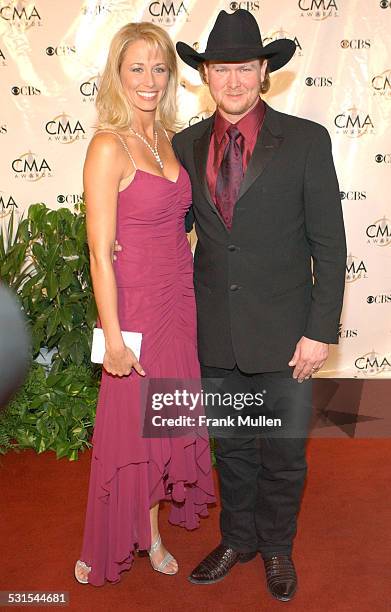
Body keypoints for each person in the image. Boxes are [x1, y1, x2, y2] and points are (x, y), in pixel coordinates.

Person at [172, 9, 346, 602]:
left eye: (245, 68)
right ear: (206, 76)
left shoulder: (304, 140)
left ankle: (276, 549)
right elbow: (172, 232)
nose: (234, 81)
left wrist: (320, 330)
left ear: (264, 70)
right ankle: (237, 539)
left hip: (287, 335)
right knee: (235, 449)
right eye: (222, 69)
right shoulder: (184, 144)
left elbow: (330, 242)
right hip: (216, 330)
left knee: (284, 455)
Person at [74, 22, 216, 587]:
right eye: (137, 68)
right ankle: (108, 538)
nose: (149, 80)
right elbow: (99, 254)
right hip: (134, 308)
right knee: (129, 427)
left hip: (179, 302)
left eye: (159, 68)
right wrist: (112, 337)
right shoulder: (108, 145)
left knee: (164, 423)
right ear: (117, 75)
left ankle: (151, 532)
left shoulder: (170, 141)